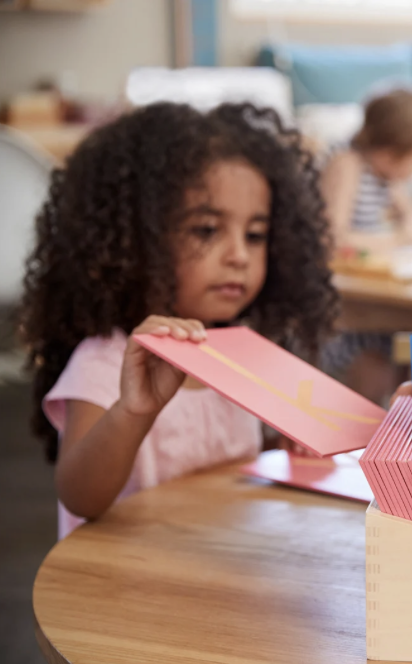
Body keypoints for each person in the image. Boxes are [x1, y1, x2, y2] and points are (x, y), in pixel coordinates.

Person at [19, 102, 338, 538]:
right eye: (207, 230)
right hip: (125, 587)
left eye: (256, 235)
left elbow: (219, 465)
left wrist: (279, 448)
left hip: (212, 573)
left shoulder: (239, 353)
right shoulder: (107, 362)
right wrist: (134, 410)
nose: (238, 256)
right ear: (136, 238)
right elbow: (80, 496)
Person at [320, 87, 412, 252]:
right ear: (388, 155)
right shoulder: (347, 164)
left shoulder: (385, 175)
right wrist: (399, 238)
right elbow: (331, 238)